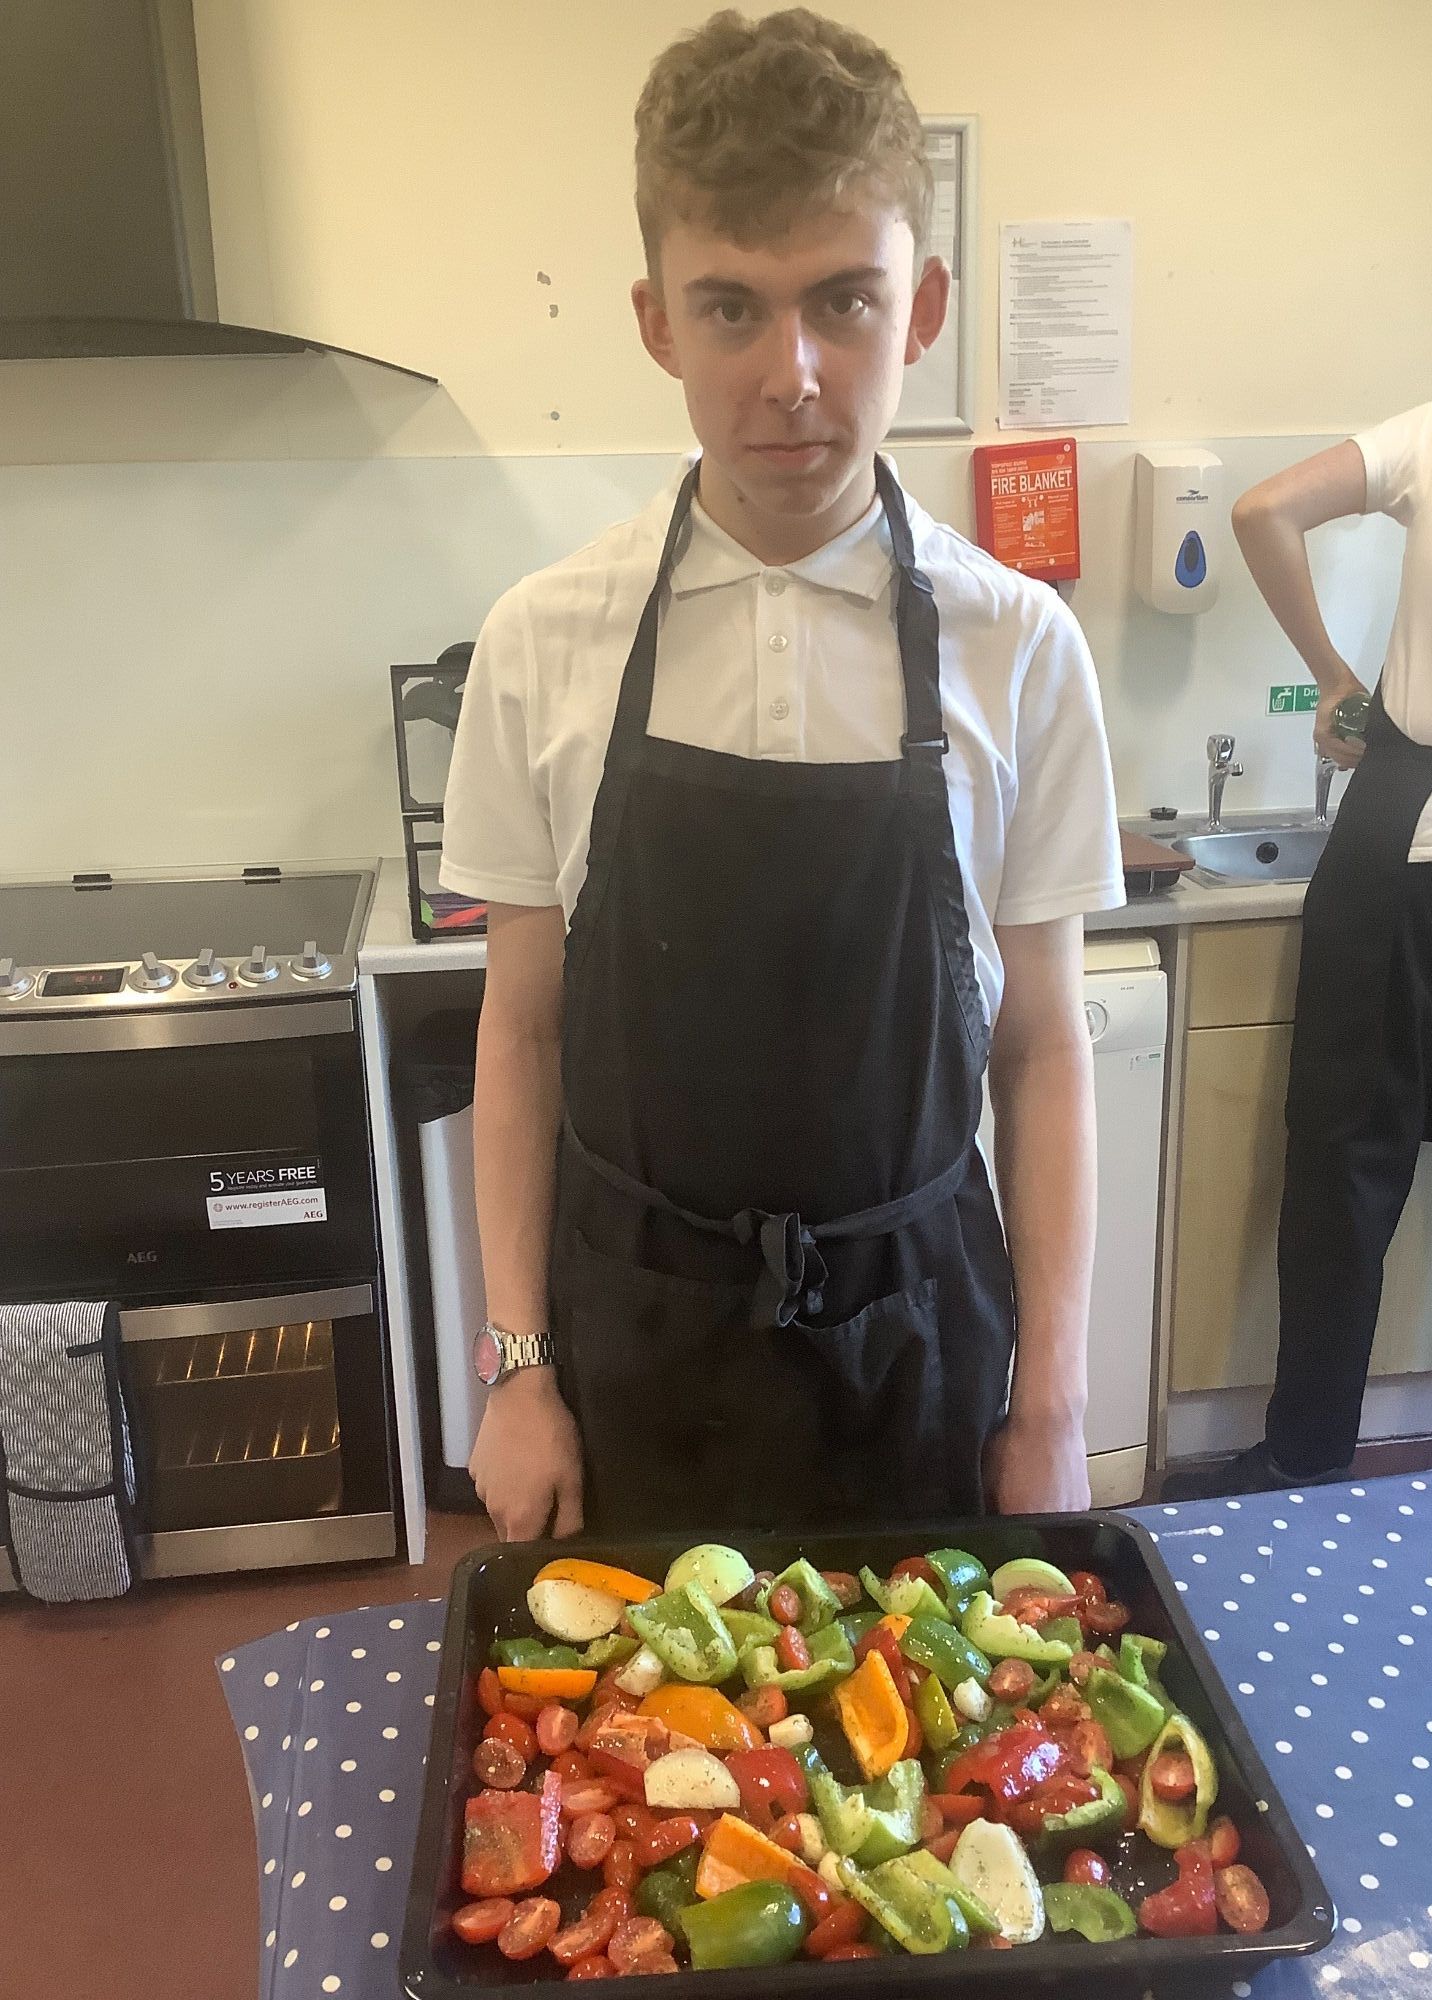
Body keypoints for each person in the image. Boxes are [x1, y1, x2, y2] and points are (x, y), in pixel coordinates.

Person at [439, 8, 1125, 1540]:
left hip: (919, 1354)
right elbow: (524, 1037)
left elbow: (1042, 1053)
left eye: (845, 302)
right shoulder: (546, 640)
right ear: (654, 320)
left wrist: (1055, 1408)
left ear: (924, 304)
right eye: (732, 309)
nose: (793, 374)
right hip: (632, 1356)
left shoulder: (1020, 647)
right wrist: (517, 1369)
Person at [1165, 393, 1432, 1500]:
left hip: (1408, 832)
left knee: (1348, 1166)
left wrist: (1338, 676)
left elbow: (1262, 510)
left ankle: (1306, 1456)